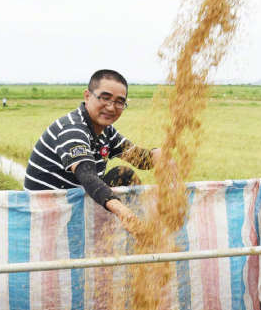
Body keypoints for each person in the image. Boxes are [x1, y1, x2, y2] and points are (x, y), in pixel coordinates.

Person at [23, 69, 160, 232]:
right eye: (105, 98)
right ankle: (136, 229)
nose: (111, 107)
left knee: (123, 174)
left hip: (75, 204)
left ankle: (142, 229)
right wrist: (123, 212)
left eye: (119, 102)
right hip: (48, 214)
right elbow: (87, 175)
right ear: (87, 96)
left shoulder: (106, 132)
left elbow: (142, 159)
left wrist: (163, 155)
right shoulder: (72, 129)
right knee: (108, 192)